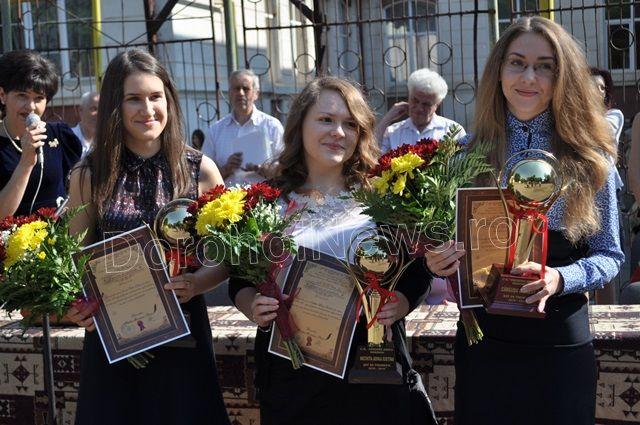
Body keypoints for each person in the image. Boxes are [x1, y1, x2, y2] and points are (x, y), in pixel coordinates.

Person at [425, 17, 623, 425]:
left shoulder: (590, 160)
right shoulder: (462, 154)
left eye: (544, 66)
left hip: (559, 342)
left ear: (561, 76)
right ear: (498, 72)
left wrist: (560, 278)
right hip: (485, 345)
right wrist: (436, 260)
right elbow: (439, 242)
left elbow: (610, 255)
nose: (529, 77)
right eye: (517, 63)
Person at [228, 76, 432, 425]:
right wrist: (253, 306)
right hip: (293, 372)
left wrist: (400, 303)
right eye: (326, 119)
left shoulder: (384, 196)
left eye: (350, 124)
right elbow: (239, 279)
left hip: (370, 371)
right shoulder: (266, 201)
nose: (338, 132)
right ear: (300, 124)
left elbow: (418, 269)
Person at [64, 49, 230, 425]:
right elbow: (75, 258)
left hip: (183, 336)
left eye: (156, 96)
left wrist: (197, 282)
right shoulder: (89, 174)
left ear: (169, 100)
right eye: (134, 99)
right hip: (114, 340)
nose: (148, 109)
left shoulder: (200, 170)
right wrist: (78, 304)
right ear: (115, 106)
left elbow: (226, 257)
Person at [0, 49, 82, 218]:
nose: (31, 106)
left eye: (38, 98)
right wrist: (26, 163)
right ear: (2, 95)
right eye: (22, 95)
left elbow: (79, 192)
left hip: (57, 234)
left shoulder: (60, 136)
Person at [202, 69, 283, 185]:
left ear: (256, 94)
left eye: (245, 89)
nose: (240, 93)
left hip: (264, 195)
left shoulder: (272, 126)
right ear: (230, 93)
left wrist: (264, 169)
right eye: (236, 88)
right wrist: (226, 168)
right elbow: (203, 174)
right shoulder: (215, 131)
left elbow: (285, 168)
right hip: (227, 196)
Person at [375, 68, 466, 153]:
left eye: (426, 104)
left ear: (437, 104)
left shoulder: (453, 130)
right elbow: (373, 154)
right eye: (415, 100)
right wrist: (387, 119)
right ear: (409, 96)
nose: (419, 108)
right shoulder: (393, 132)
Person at [71, 91, 99, 158]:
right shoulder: (69, 138)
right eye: (94, 109)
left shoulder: (106, 140)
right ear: (81, 110)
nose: (98, 114)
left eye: (101, 109)